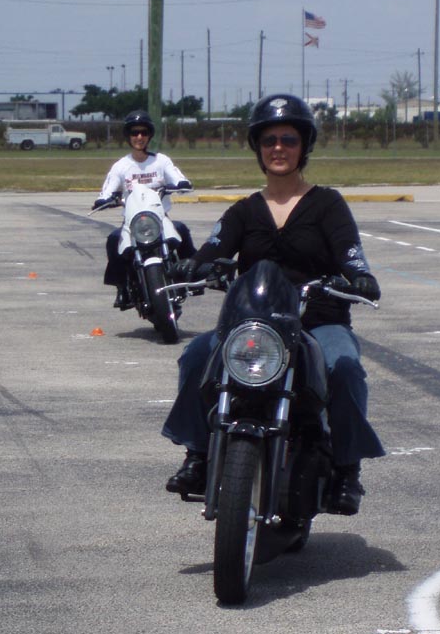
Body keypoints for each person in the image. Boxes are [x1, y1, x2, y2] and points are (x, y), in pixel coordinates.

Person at [160, 93, 383, 515]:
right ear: (257, 148)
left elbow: (350, 252)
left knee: (344, 367)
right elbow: (212, 249)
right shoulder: (245, 211)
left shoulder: (328, 204)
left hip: (317, 322)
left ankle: (346, 469)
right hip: (253, 326)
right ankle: (198, 454)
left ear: (304, 146)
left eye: (288, 139)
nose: (278, 148)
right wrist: (192, 266)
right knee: (196, 355)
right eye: (269, 141)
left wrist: (360, 276)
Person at [93, 110, 196, 308]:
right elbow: (108, 188)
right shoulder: (121, 166)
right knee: (114, 239)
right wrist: (104, 199)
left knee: (181, 230)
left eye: (143, 132)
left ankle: (191, 275)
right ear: (128, 136)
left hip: (160, 219)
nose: (139, 137)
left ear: (149, 135)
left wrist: (181, 183)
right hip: (132, 222)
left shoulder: (161, 161)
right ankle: (122, 288)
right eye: (134, 133)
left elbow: (176, 176)